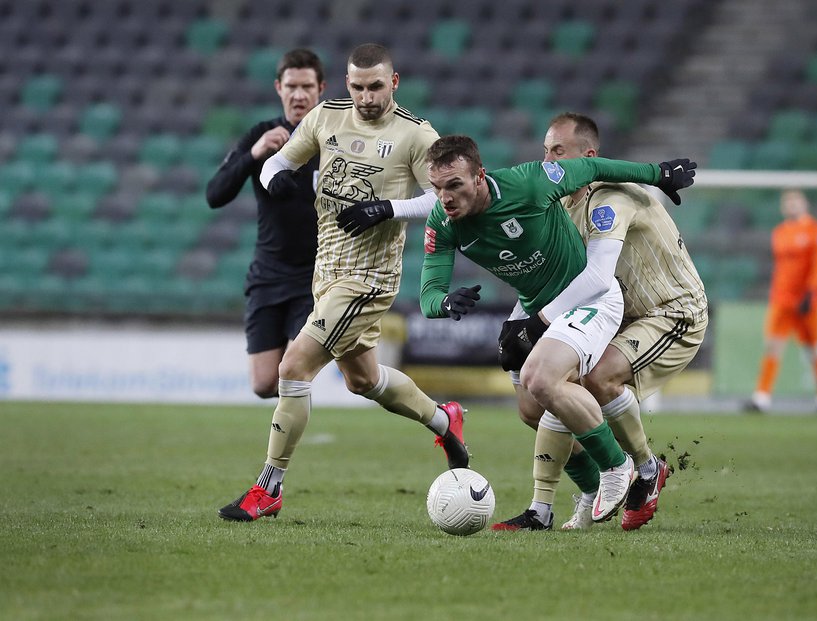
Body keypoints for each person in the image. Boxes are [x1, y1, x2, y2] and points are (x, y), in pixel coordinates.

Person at [218, 43, 468, 522]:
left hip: (369, 280)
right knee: (364, 380)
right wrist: (276, 179)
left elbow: (441, 201)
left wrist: (387, 208)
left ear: (393, 83)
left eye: (376, 86)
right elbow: (275, 164)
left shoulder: (416, 135)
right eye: (357, 86)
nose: (366, 96)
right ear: (346, 84)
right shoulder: (326, 117)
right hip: (325, 273)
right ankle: (444, 419)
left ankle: (268, 487)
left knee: (293, 369)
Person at [417, 134, 697, 527]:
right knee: (533, 410)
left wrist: (658, 174)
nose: (445, 197)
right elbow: (428, 292)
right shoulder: (442, 221)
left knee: (541, 378)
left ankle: (618, 468)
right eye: (437, 188)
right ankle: (578, 495)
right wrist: (444, 304)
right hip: (537, 309)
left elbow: (594, 168)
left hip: (591, 300)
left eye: (454, 185)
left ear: (479, 176)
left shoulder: (528, 182)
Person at [490, 113, 708, 532]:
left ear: (589, 157)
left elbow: (597, 277)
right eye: (545, 150)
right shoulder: (560, 205)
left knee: (598, 379)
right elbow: (546, 278)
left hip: (671, 311)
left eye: (559, 151)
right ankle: (547, 508)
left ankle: (646, 470)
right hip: (618, 315)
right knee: (537, 401)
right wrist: (515, 321)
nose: (548, 160)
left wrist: (535, 324)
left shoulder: (611, 199)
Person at [206, 48, 326, 398]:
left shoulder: (335, 140)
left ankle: (283, 450)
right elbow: (214, 194)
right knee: (263, 385)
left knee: (293, 372)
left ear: (322, 88)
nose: (299, 94)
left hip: (314, 276)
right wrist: (254, 155)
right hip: (269, 272)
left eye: (307, 86)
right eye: (291, 86)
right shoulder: (263, 135)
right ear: (278, 87)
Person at [746, 189, 817, 413]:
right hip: (782, 299)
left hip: (807, 300)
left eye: (795, 201)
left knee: (815, 349)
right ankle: (761, 397)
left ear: (805, 204)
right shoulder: (779, 232)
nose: (791, 205)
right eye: (787, 202)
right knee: (773, 347)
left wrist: (811, 292)